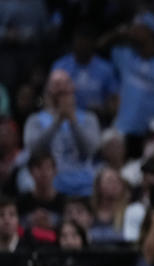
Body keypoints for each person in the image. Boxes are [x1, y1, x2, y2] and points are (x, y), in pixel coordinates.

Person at [24, 69, 101, 198]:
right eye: (56, 84)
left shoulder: (89, 118)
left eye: (65, 83)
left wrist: (73, 121)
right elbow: (33, 150)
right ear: (48, 89)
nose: (61, 89)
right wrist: (58, 121)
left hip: (85, 186)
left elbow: (91, 150)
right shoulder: (35, 120)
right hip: (52, 189)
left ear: (73, 86)